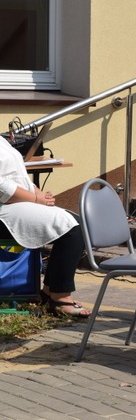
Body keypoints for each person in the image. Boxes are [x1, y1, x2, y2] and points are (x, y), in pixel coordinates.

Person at [0, 135, 90, 318]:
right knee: (72, 228)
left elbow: (18, 176)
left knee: (77, 223)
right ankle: (60, 297)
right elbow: (2, 187)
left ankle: (50, 292)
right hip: (4, 209)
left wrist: (40, 196)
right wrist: (35, 199)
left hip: (15, 203)